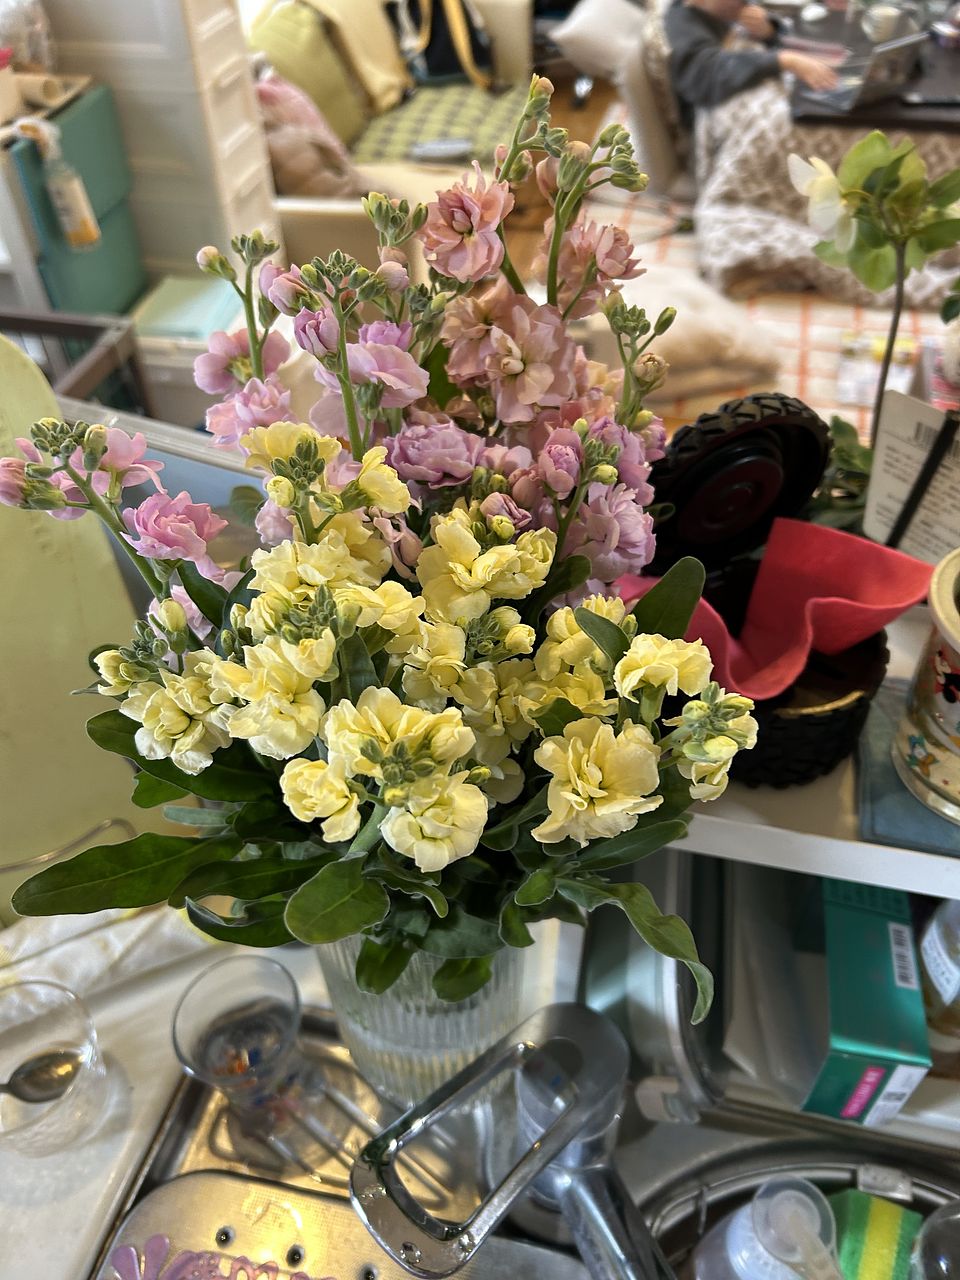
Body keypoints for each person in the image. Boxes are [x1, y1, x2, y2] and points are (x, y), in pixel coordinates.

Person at [664, 0, 839, 125]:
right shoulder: (682, 20)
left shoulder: (721, 13)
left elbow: (768, 36)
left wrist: (767, 32)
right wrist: (783, 60)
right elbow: (706, 72)